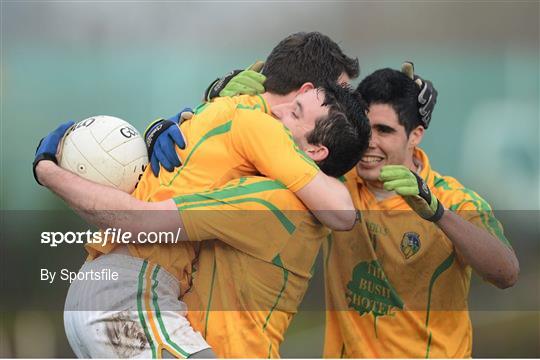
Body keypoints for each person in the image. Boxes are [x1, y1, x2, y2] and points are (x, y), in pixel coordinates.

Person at [34, 33, 370, 358]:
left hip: (107, 285)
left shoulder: (215, 112)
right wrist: (48, 171)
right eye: (340, 91)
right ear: (308, 90)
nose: (347, 101)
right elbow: (340, 212)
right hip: (134, 291)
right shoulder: (263, 133)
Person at [322, 65, 519, 358]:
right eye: (363, 127)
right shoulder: (333, 182)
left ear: (415, 135)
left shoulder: (453, 199)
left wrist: (438, 214)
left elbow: (506, 273)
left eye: (384, 130)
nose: (369, 142)